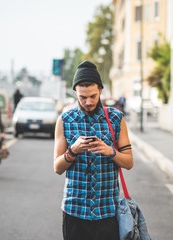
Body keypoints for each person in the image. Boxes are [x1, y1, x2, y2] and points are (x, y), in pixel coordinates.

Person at [53, 60, 134, 240]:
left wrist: (110, 151)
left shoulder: (115, 118)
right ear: (75, 92)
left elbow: (129, 162)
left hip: (107, 213)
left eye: (93, 96)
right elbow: (57, 168)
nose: (88, 102)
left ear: (100, 90)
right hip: (74, 212)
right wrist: (73, 151)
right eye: (82, 97)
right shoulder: (65, 120)